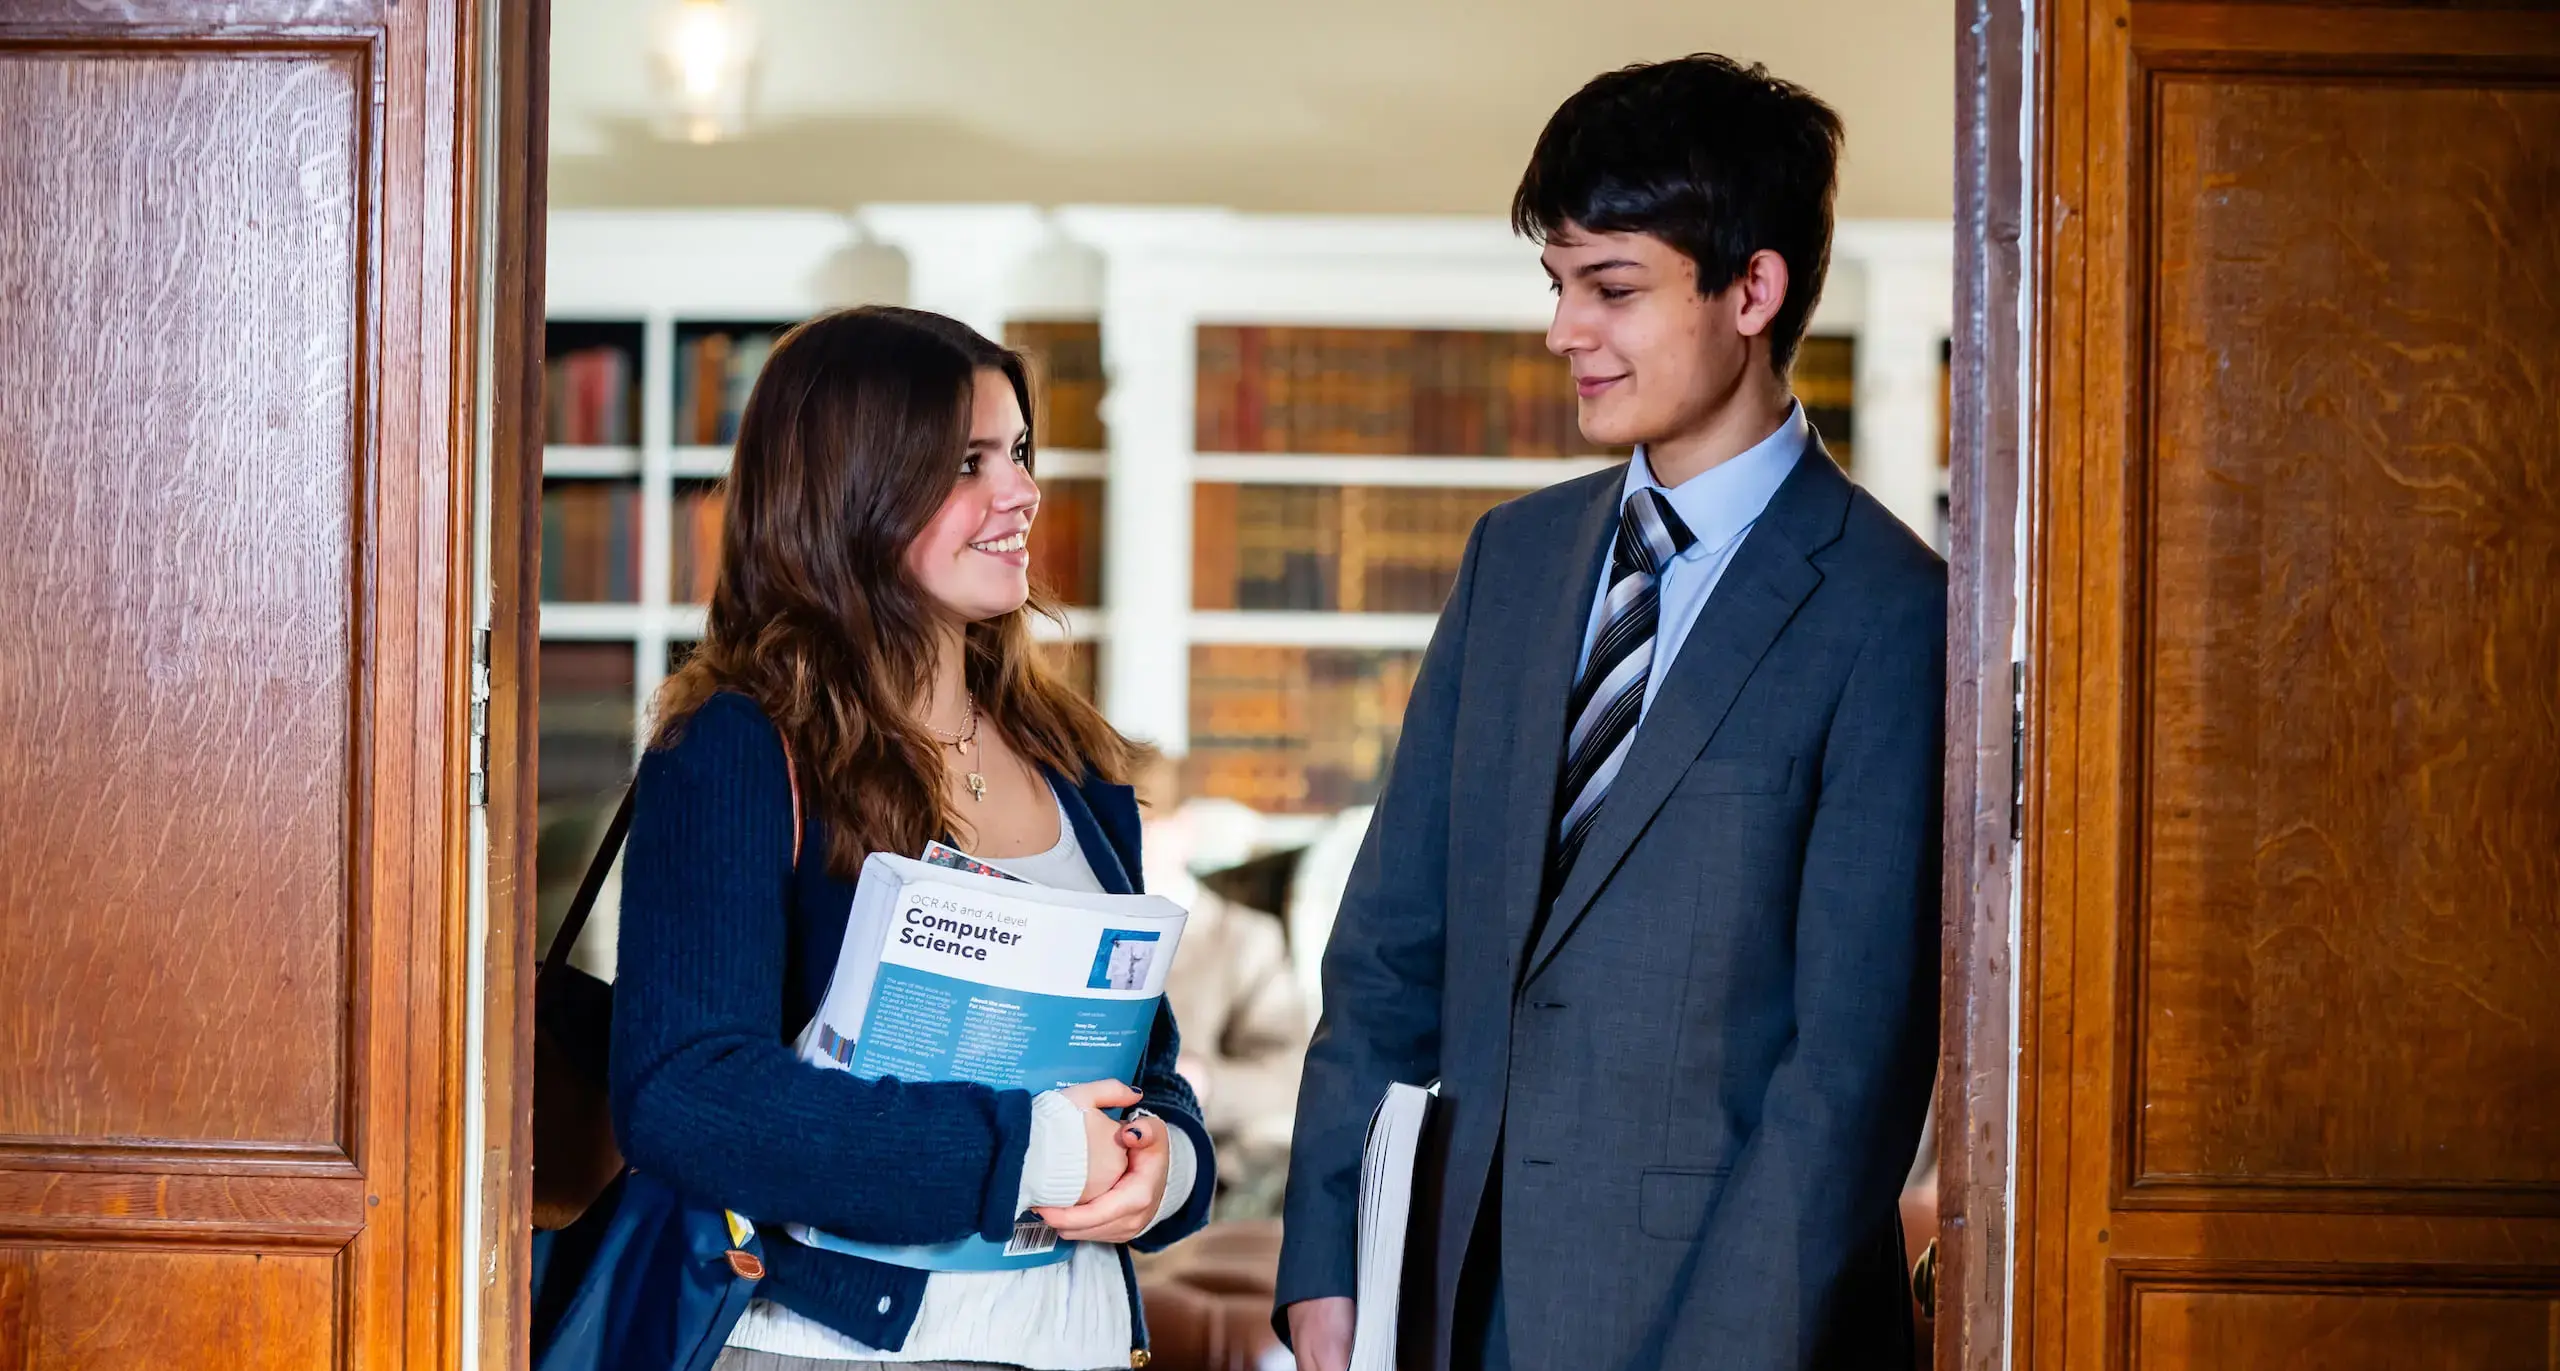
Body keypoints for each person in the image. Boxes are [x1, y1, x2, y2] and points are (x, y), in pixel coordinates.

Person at [1276, 54, 1945, 1371]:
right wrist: (1327, 1257)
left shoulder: (1897, 610)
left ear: (1752, 288)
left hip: (1737, 1322)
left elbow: (1847, 1075)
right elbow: (1388, 955)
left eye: (1613, 287)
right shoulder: (1509, 562)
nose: (1563, 331)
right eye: (1558, 285)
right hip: (1455, 1306)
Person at [610, 305, 1216, 1371]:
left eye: (1019, 453)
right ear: (854, 486)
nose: (1022, 491)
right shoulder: (740, 748)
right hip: (831, 1349)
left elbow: (1144, 1063)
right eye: (968, 462)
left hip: (1077, 1342)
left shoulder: (1069, 756)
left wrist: (1162, 1163)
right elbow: (683, 1090)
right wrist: (1018, 1152)